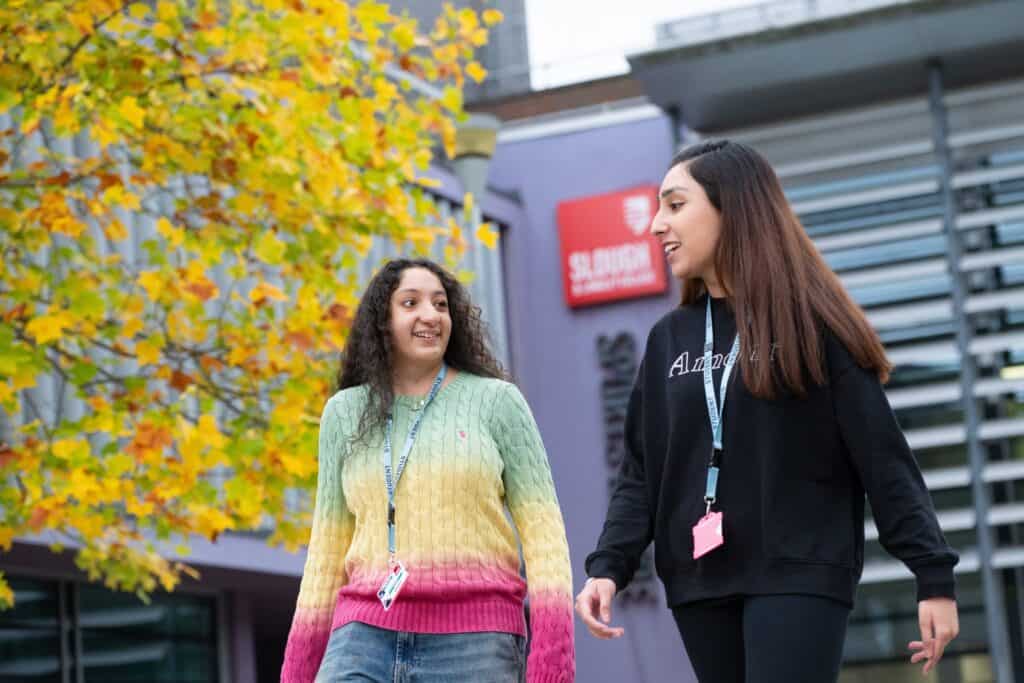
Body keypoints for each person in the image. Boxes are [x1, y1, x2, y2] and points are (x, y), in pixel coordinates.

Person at [574, 140, 959, 682]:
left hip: (799, 571)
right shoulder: (668, 339)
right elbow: (641, 473)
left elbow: (883, 457)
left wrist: (932, 574)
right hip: (700, 579)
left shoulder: (811, 322)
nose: (657, 224)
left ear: (732, 208)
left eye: (675, 205)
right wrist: (607, 567)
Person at [281, 258, 574, 683]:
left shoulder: (498, 403)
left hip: (475, 643)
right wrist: (297, 672)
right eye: (410, 302)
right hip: (363, 636)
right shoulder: (344, 413)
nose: (430, 315)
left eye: (440, 304)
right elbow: (326, 551)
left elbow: (545, 539)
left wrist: (552, 663)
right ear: (382, 321)